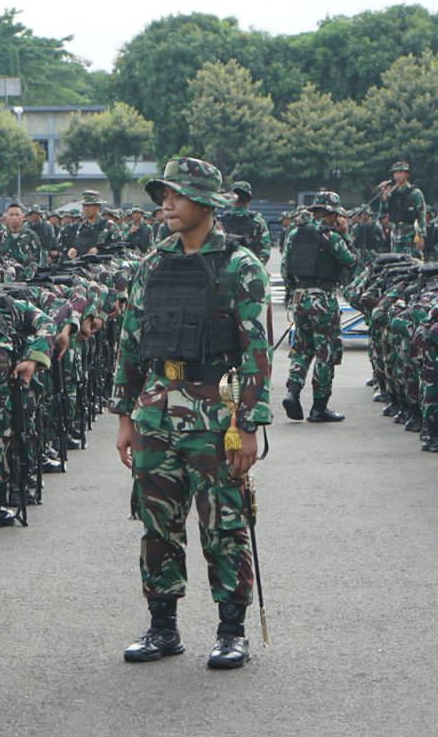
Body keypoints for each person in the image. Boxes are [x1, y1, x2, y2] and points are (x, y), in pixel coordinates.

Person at [114, 157, 271, 671]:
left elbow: (255, 352)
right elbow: (131, 344)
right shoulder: (151, 265)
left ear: (205, 203)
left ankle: (232, 632)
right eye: (164, 195)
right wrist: (125, 417)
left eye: (176, 196)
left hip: (215, 417)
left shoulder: (239, 265)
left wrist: (248, 426)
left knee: (224, 525)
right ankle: (163, 627)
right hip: (157, 413)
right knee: (158, 524)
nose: (166, 205)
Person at [280, 191, 357, 423]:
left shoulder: (295, 233)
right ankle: (319, 407)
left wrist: (296, 289)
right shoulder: (330, 236)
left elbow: (285, 268)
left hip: (300, 296)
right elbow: (351, 261)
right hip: (323, 298)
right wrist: (345, 235)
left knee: (302, 347)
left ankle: (292, 391)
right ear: (332, 214)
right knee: (325, 351)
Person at [216, 180, 271, 263]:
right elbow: (265, 251)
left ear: (231, 198)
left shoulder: (220, 221)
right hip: (251, 270)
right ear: (249, 199)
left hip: (224, 271)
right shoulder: (258, 222)